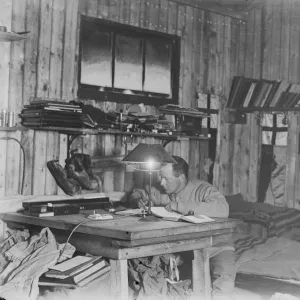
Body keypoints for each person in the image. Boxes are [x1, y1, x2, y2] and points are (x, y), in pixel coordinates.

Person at [129, 155, 236, 300]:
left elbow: (223, 209)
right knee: (164, 281)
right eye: (161, 177)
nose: (161, 182)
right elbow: (137, 192)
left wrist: (182, 207)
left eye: (167, 179)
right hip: (185, 249)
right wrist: (138, 200)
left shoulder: (203, 189)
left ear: (181, 177)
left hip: (217, 246)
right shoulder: (160, 188)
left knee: (223, 286)